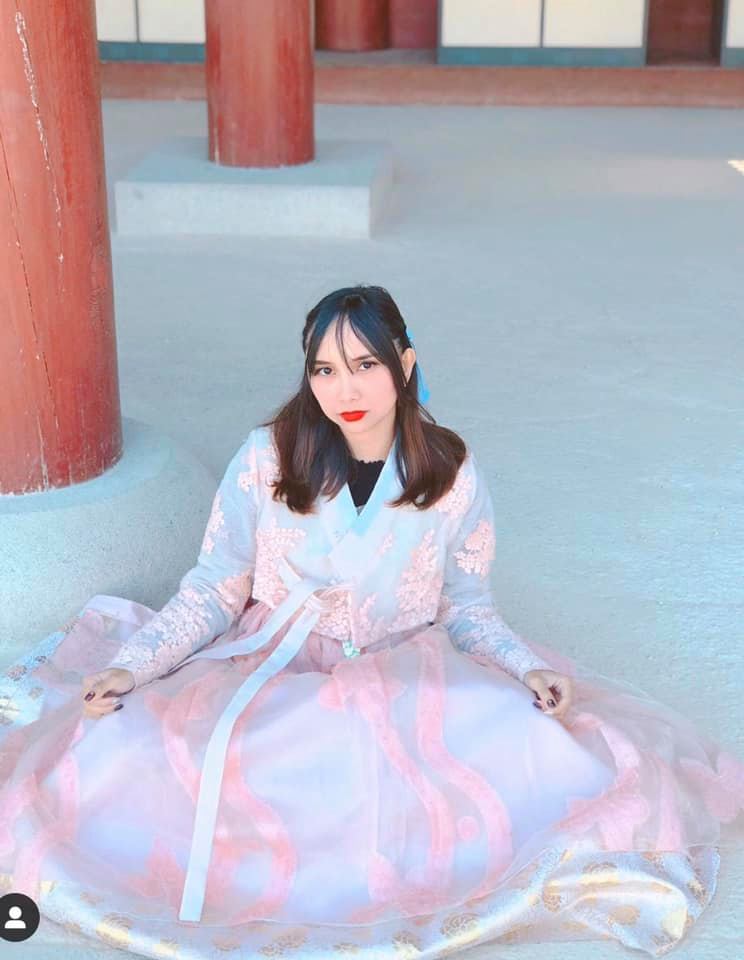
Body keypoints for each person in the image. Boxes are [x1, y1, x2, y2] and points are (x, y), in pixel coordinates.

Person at [1, 285, 743, 959]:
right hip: (273, 661)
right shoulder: (267, 457)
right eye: (324, 370)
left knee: (533, 741)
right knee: (133, 744)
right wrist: (133, 666)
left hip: (402, 667)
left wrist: (526, 667)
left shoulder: (449, 470)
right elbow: (213, 590)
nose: (345, 389)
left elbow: (467, 607)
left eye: (364, 365)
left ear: (405, 364)